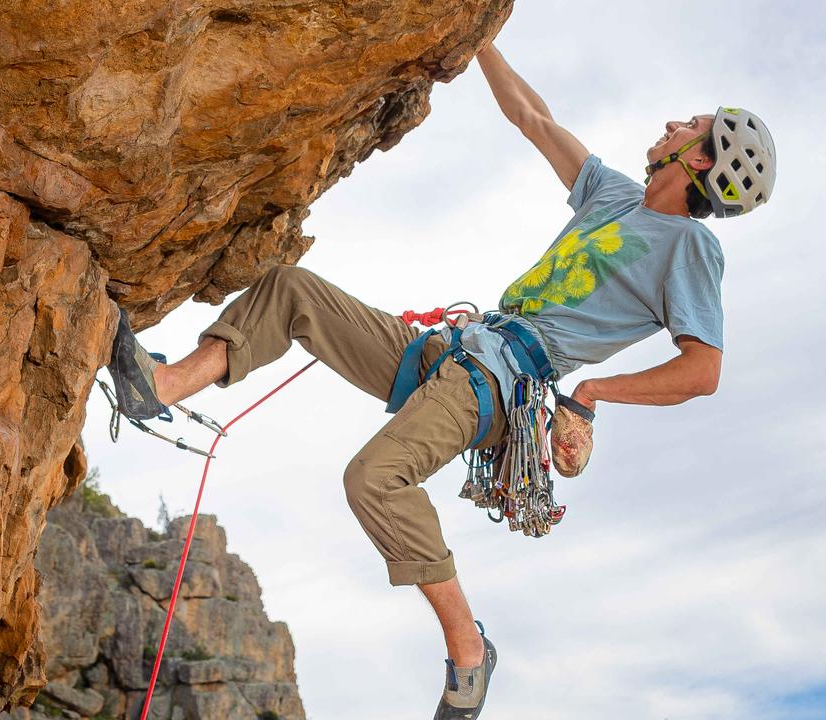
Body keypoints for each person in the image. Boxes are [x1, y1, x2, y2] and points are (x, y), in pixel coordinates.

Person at [105, 42, 776, 720]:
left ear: (700, 160)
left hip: (497, 381)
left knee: (373, 479)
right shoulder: (613, 196)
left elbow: (703, 369)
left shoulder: (691, 248)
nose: (673, 124)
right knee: (290, 291)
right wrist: (480, 36)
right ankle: (160, 389)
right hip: (451, 350)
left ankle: (468, 649)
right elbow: (533, 119)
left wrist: (596, 394)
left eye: (690, 126)